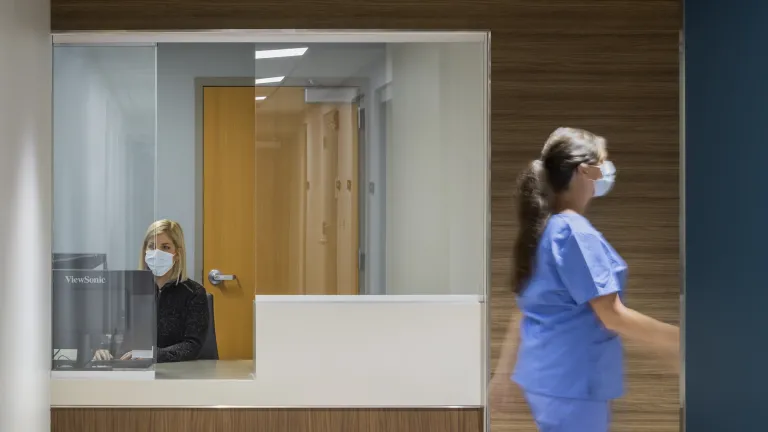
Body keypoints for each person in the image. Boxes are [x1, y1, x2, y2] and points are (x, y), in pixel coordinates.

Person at [488, 127, 679, 432]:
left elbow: (526, 309)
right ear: (582, 171)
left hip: (546, 381)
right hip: (572, 384)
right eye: (602, 164)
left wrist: (501, 374)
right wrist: (681, 340)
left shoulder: (544, 231)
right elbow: (612, 315)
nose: (607, 173)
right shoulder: (574, 233)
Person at [94, 219, 210, 363]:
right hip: (133, 369)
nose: (157, 253)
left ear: (177, 254)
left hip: (177, 373)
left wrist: (153, 355)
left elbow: (192, 346)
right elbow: (116, 332)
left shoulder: (194, 293)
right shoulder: (131, 289)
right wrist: (103, 348)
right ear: (145, 251)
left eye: (165, 247)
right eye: (152, 246)